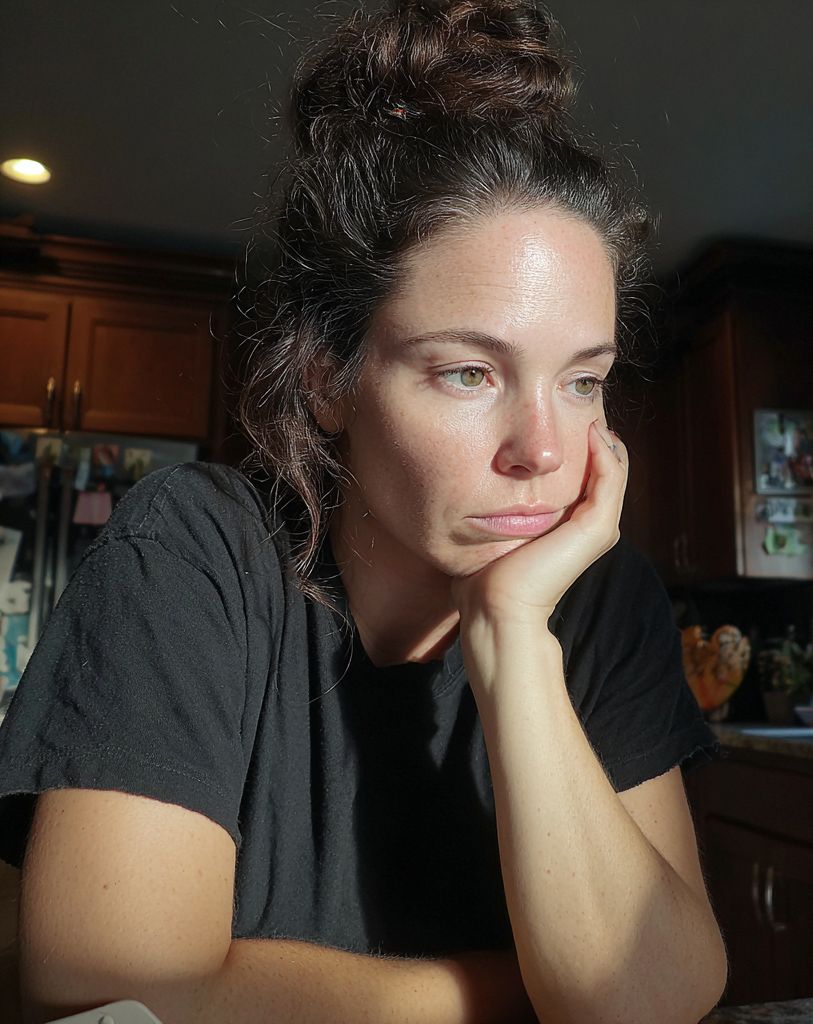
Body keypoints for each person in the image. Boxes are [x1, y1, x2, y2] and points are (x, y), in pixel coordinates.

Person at [0, 2, 727, 1022]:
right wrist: (525, 993)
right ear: (327, 379)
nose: (545, 451)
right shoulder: (197, 551)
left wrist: (512, 638)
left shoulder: (604, 602)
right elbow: (103, 985)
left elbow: (662, 994)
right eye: (470, 371)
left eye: (581, 381)